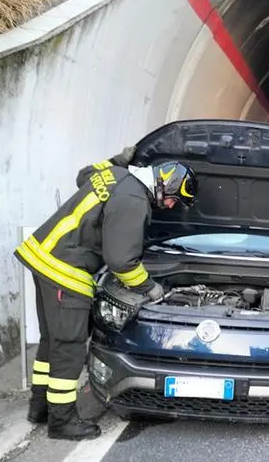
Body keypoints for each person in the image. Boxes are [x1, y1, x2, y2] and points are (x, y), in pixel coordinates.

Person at [14, 147, 198, 440]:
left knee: (52, 341)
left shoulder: (115, 175)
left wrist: (117, 159)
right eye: (176, 198)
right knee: (70, 347)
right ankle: (62, 422)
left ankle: (39, 408)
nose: (173, 205)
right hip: (67, 270)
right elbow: (122, 261)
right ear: (166, 182)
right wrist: (150, 288)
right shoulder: (135, 201)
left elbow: (82, 176)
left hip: (44, 257)